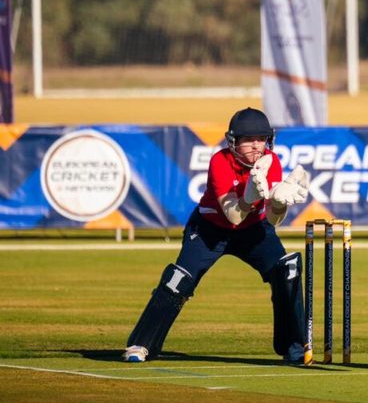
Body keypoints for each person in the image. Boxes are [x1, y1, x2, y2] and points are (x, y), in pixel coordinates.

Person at [123, 107, 311, 363]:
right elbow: (233, 215)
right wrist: (249, 197)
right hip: (210, 231)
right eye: (249, 140)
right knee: (178, 280)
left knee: (286, 270)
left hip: (254, 232)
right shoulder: (220, 162)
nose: (257, 146)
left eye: (261, 138)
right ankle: (141, 344)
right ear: (233, 141)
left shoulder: (271, 162)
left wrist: (280, 202)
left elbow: (273, 220)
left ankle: (295, 349)